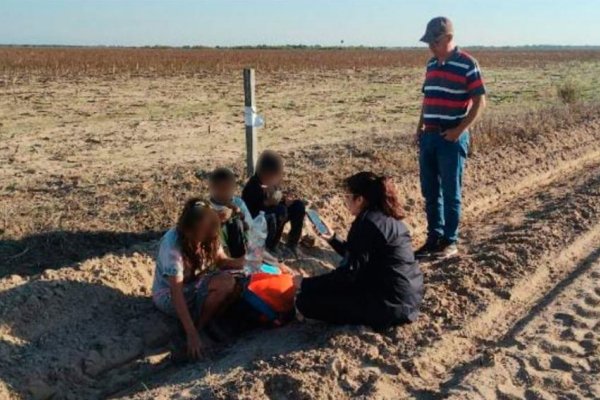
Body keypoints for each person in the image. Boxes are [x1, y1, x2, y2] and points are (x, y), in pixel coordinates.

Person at [294, 172, 423, 330]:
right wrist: (333, 238)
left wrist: (305, 283)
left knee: (305, 301)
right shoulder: (385, 218)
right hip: (409, 299)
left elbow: (348, 273)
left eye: (347, 196)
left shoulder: (365, 223)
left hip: (388, 306)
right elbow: (361, 256)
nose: (345, 201)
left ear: (360, 199)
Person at [414, 17, 487, 259]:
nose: (430, 47)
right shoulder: (432, 64)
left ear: (447, 38)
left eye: (434, 41)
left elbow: (480, 101)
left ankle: (449, 241)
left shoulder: (468, 64)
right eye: (428, 43)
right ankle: (433, 237)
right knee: (430, 191)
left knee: (450, 191)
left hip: (450, 138)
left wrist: (459, 130)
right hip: (429, 136)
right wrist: (419, 128)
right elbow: (427, 99)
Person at [151, 198, 245, 360]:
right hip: (169, 296)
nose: (201, 238)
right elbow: (177, 293)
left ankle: (209, 322)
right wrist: (192, 334)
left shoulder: (211, 234)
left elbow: (221, 261)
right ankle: (199, 329)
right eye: (198, 233)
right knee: (225, 283)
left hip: (195, 284)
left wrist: (244, 262)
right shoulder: (172, 244)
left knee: (237, 285)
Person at [242, 150, 306, 256]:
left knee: (298, 206)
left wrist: (285, 200)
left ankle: (292, 244)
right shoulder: (252, 187)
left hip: (275, 213)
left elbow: (277, 197)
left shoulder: (271, 183)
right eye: (275, 175)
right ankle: (271, 246)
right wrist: (267, 204)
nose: (278, 178)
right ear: (265, 174)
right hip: (259, 224)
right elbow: (251, 215)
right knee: (280, 211)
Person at [208, 167, 253, 258]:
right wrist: (219, 219)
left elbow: (250, 225)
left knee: (236, 223)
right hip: (216, 247)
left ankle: (238, 258)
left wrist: (239, 214)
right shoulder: (207, 206)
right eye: (221, 189)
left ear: (234, 188)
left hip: (238, 244)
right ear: (211, 188)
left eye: (229, 189)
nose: (225, 193)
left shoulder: (238, 203)